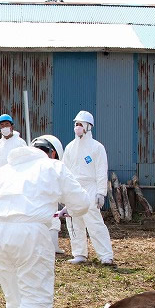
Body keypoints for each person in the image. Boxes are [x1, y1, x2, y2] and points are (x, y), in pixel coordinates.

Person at [0, 134, 90, 308]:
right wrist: (67, 210)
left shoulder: (4, 170)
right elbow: (82, 202)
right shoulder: (53, 166)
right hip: (29, 232)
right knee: (38, 302)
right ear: (53, 153)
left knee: (16, 299)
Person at [62, 110, 114, 265]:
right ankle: (79, 253)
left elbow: (101, 171)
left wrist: (100, 192)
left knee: (94, 223)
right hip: (74, 188)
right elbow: (64, 171)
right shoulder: (70, 147)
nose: (77, 127)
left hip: (90, 187)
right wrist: (64, 193)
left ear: (88, 127)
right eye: (76, 124)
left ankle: (105, 255)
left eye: (80, 124)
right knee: (74, 222)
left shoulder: (97, 148)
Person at [0, 113, 27, 185]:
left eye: (7, 124)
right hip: (0, 182)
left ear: (12, 126)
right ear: (0, 128)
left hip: (15, 182)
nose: (4, 127)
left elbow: (26, 161)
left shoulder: (20, 143)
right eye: (2, 125)